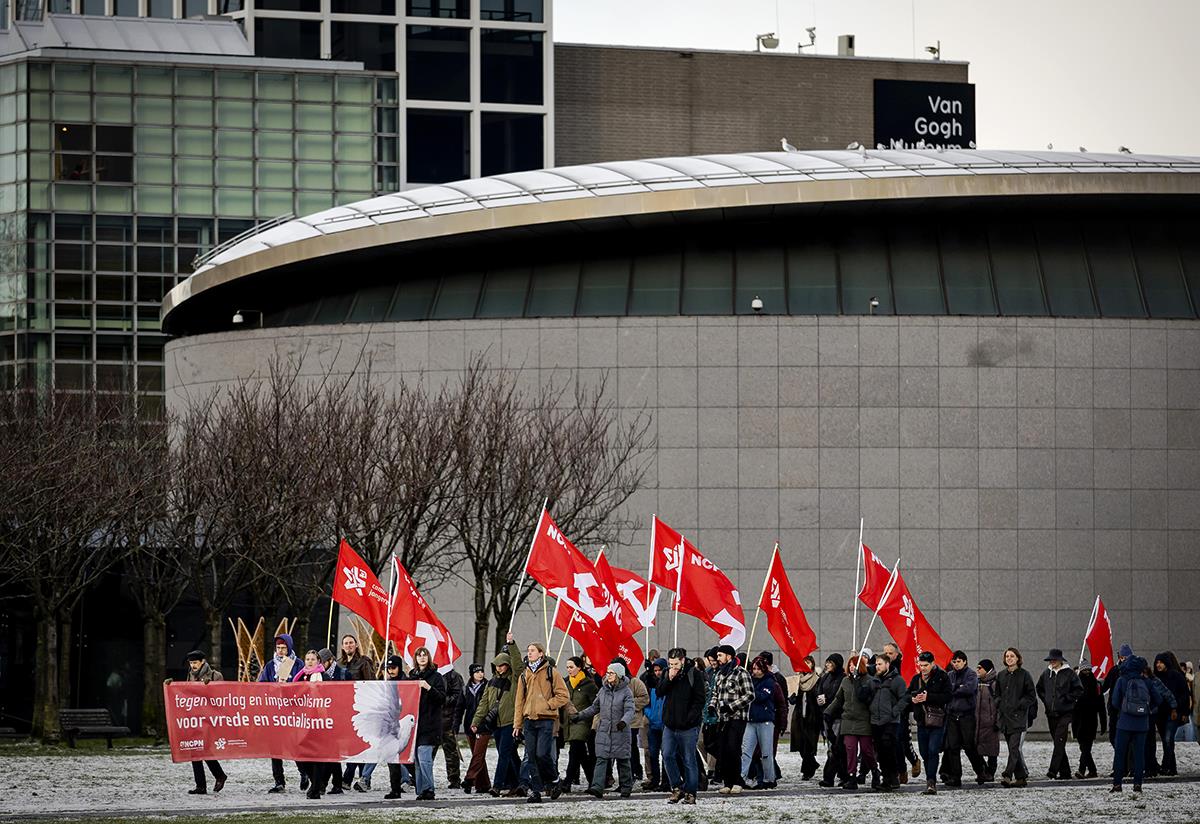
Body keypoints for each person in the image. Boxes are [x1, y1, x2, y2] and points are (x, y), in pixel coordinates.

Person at [512, 639, 569, 803]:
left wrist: (548, 705)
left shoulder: (551, 672)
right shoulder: (524, 674)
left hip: (546, 720)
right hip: (529, 720)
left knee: (542, 754)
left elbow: (564, 695)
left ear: (541, 653)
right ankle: (536, 791)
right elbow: (519, 701)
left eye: (533, 650)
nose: (529, 652)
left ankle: (554, 780)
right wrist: (517, 724)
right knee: (531, 757)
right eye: (528, 650)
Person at [472, 632, 524, 797]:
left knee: (504, 754)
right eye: (497, 665)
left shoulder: (515, 679)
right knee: (509, 755)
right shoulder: (491, 682)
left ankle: (498, 785)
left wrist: (512, 644)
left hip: (510, 722)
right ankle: (521, 783)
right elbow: (484, 703)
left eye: (502, 664)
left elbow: (518, 666)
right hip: (497, 724)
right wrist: (476, 720)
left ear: (507, 665)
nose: (499, 667)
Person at [169, 650, 227, 795]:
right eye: (191, 663)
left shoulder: (215, 675)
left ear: (202, 662)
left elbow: (222, 696)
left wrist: (210, 687)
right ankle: (202, 785)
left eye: (195, 662)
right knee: (196, 750)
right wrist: (171, 686)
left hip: (210, 719)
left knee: (203, 750)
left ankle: (219, 776)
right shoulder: (190, 675)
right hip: (195, 718)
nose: (193, 665)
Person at [577, 662, 635, 799]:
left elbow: (630, 710)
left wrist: (623, 721)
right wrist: (579, 716)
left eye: (611, 673)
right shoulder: (603, 690)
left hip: (620, 731)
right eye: (607, 672)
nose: (608, 675)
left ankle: (626, 787)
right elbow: (594, 707)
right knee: (601, 759)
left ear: (619, 675)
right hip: (604, 731)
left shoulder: (626, 692)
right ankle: (597, 787)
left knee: (623, 760)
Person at [658, 646, 705, 805]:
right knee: (667, 754)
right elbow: (659, 692)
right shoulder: (667, 673)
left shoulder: (694, 674)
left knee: (688, 759)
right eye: (671, 664)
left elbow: (700, 700)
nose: (673, 667)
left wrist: (690, 719)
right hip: (670, 724)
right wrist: (668, 679)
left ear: (683, 660)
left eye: (676, 664)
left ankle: (691, 792)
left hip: (688, 726)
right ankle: (677, 787)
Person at [900, 650, 950, 796]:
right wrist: (912, 699)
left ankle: (931, 781)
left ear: (933, 663)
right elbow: (907, 695)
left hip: (937, 721)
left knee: (933, 750)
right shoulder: (916, 679)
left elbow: (948, 696)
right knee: (924, 752)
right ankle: (930, 777)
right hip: (921, 721)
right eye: (921, 665)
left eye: (926, 665)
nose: (923, 668)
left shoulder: (942, 677)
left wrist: (929, 697)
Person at [1109, 652, 1160, 793]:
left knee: (1120, 754)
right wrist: (1148, 710)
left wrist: (1124, 710)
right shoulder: (1147, 681)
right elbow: (1158, 699)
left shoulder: (1122, 680)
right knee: (1139, 755)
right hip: (1142, 724)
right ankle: (1138, 784)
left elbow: (1114, 701)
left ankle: (1117, 784)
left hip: (1124, 723)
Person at [258, 633, 301, 794]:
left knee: (296, 746)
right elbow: (261, 684)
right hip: (275, 712)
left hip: (293, 712)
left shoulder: (298, 663)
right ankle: (279, 781)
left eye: (284, 648)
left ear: (289, 648)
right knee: (275, 748)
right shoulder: (270, 665)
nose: (281, 651)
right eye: (278, 648)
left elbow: (303, 684)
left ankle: (304, 774)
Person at [708, 644, 753, 795]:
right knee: (724, 750)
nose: (718, 658)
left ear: (729, 656)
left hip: (737, 717)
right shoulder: (720, 674)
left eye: (720, 655)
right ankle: (728, 782)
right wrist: (712, 705)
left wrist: (732, 706)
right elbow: (716, 692)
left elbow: (750, 695)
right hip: (723, 718)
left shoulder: (741, 673)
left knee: (734, 748)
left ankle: (737, 781)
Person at [826, 653, 875, 791]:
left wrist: (857, 680)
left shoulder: (868, 681)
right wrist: (828, 712)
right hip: (848, 720)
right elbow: (838, 699)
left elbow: (865, 698)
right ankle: (851, 776)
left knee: (866, 750)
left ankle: (874, 771)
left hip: (863, 720)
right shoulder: (845, 681)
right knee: (850, 750)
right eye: (851, 665)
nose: (852, 667)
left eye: (855, 664)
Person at [293, 650, 334, 799]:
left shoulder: (324, 677)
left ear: (318, 661)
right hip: (302, 721)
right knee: (301, 756)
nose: (310, 661)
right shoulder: (300, 676)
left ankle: (316, 787)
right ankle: (316, 783)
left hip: (319, 721)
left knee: (316, 755)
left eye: (313, 659)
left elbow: (330, 697)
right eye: (307, 659)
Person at [1036, 648, 1083, 780]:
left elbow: (1079, 690)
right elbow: (1039, 688)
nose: (1052, 661)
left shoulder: (1069, 674)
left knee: (1059, 741)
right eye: (1051, 659)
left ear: (1061, 660)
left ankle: (1052, 770)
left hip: (1066, 713)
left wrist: (1067, 699)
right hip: (1051, 713)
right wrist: (1046, 700)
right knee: (1058, 742)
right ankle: (1065, 772)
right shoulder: (1046, 673)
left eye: (1054, 659)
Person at [338, 635, 377, 792]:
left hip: (361, 708)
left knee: (361, 743)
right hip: (344, 709)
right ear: (342, 646)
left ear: (356, 645)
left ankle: (356, 778)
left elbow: (371, 683)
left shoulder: (364, 661)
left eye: (351, 643)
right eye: (346, 643)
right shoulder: (339, 664)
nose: (348, 645)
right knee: (351, 745)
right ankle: (358, 778)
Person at [408, 646, 447, 801]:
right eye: (419, 655)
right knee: (417, 760)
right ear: (416, 659)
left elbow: (442, 698)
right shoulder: (412, 677)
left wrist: (428, 687)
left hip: (430, 725)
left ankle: (429, 789)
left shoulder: (436, 677)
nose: (422, 658)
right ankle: (421, 790)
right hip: (415, 725)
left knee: (425, 758)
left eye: (425, 655)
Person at [994, 646, 1036, 788]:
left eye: (1012, 656)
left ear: (1018, 658)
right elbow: (997, 694)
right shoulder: (1001, 675)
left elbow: (1031, 695)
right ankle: (1021, 777)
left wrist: (1020, 705)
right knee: (1013, 748)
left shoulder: (1024, 675)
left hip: (1018, 717)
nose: (1009, 658)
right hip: (1005, 718)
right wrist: (998, 703)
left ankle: (1007, 774)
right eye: (1007, 656)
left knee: (1014, 748)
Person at [943, 650, 986, 787]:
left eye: (958, 661)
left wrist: (954, 689)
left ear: (965, 661)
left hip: (966, 716)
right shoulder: (949, 675)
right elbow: (946, 690)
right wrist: (957, 688)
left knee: (969, 746)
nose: (956, 664)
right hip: (952, 715)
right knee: (953, 747)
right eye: (954, 662)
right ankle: (956, 777)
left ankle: (980, 771)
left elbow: (968, 689)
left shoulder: (971, 674)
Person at [864, 652, 905, 791]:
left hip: (890, 721)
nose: (877, 667)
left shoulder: (897, 680)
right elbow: (863, 695)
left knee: (889, 749)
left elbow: (904, 699)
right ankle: (887, 778)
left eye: (880, 664)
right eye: (876, 664)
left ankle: (892, 778)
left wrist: (893, 712)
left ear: (888, 664)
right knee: (880, 751)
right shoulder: (874, 680)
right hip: (876, 721)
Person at [741, 656, 783, 790]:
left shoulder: (770, 682)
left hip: (765, 721)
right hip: (751, 720)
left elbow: (762, 696)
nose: (756, 671)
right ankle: (741, 776)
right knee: (746, 751)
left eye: (759, 669)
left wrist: (749, 692)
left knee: (766, 753)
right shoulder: (749, 680)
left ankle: (769, 778)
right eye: (754, 668)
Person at [883, 642, 920, 782]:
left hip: (901, 710)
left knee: (901, 740)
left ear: (896, 654)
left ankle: (912, 761)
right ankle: (901, 769)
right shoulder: (881, 667)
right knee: (894, 742)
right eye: (885, 653)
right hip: (887, 711)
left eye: (890, 653)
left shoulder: (903, 667)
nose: (887, 655)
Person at [563, 655, 599, 793]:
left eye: (571, 667)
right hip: (570, 723)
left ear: (579, 668)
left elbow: (595, 705)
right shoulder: (566, 684)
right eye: (567, 667)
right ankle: (593, 781)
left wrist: (590, 720)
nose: (569, 670)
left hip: (583, 722)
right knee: (581, 755)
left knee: (574, 751)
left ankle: (567, 782)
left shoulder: (588, 685)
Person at [1153, 652, 1189, 776]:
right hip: (1160, 714)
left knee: (1168, 739)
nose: (1158, 665)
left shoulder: (1177, 676)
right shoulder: (1155, 678)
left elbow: (1185, 695)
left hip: (1174, 713)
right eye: (1157, 662)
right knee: (1166, 741)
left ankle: (1166, 765)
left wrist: (1184, 712)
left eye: (1161, 662)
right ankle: (1171, 767)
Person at [382, 656, 412, 800]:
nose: (391, 671)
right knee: (392, 758)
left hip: (404, 722)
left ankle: (421, 784)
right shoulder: (388, 684)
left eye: (393, 668)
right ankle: (395, 789)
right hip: (391, 725)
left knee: (407, 759)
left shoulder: (407, 683)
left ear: (399, 667)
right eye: (388, 668)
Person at [816, 653, 848, 788]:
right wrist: (820, 699)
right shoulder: (825, 677)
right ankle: (843, 775)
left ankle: (830, 777)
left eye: (831, 663)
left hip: (839, 717)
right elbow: (819, 691)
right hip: (826, 716)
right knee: (834, 747)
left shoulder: (843, 678)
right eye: (827, 662)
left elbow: (840, 698)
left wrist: (827, 700)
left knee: (836, 747)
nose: (827, 665)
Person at [789, 655, 822, 780]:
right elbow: (794, 698)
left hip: (812, 716)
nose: (806, 665)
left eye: (808, 662)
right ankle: (812, 764)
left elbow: (819, 695)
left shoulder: (817, 679)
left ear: (812, 664)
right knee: (800, 744)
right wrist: (792, 698)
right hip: (798, 716)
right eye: (804, 663)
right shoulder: (798, 680)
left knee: (809, 745)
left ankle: (807, 771)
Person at [1073, 663, 1106, 779]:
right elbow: (1074, 706)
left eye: (1088, 670)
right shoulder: (1076, 685)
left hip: (1091, 721)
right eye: (1084, 670)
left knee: (1086, 748)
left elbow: (1101, 706)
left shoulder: (1096, 685)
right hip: (1079, 721)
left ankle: (1081, 770)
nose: (1086, 672)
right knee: (1083, 747)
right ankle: (1092, 770)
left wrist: (1103, 724)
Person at [460, 664, 488, 793]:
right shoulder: (466, 689)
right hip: (469, 726)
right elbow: (459, 708)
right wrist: (456, 726)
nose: (480, 674)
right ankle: (483, 784)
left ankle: (469, 779)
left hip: (484, 725)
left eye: (481, 671)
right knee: (478, 755)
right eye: (477, 672)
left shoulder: (488, 686)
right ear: (472, 674)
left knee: (478, 754)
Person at [438, 664, 465, 789]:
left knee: (451, 752)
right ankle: (418, 778)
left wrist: (440, 698)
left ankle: (454, 779)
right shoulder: (432, 675)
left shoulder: (454, 676)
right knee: (426, 752)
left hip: (448, 719)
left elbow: (458, 698)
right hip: (433, 719)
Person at [642, 657, 667, 791]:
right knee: (652, 754)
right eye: (655, 670)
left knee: (666, 755)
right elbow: (646, 703)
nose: (657, 673)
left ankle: (665, 781)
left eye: (659, 670)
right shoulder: (651, 686)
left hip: (664, 725)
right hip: (653, 725)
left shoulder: (667, 685)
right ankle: (655, 780)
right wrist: (650, 715)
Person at [973, 659, 999, 783]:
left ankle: (990, 772)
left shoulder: (994, 684)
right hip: (978, 723)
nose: (977, 670)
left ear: (987, 669)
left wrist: (996, 720)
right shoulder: (977, 683)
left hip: (990, 723)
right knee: (976, 749)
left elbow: (999, 703)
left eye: (980, 668)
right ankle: (983, 771)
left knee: (992, 750)